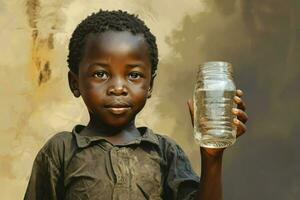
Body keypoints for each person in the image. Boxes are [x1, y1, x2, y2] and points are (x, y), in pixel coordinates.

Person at [24, 10, 248, 200]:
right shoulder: (60, 151)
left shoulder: (165, 152)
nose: (118, 87)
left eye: (133, 75)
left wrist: (212, 158)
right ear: (75, 83)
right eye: (101, 74)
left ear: (150, 85)